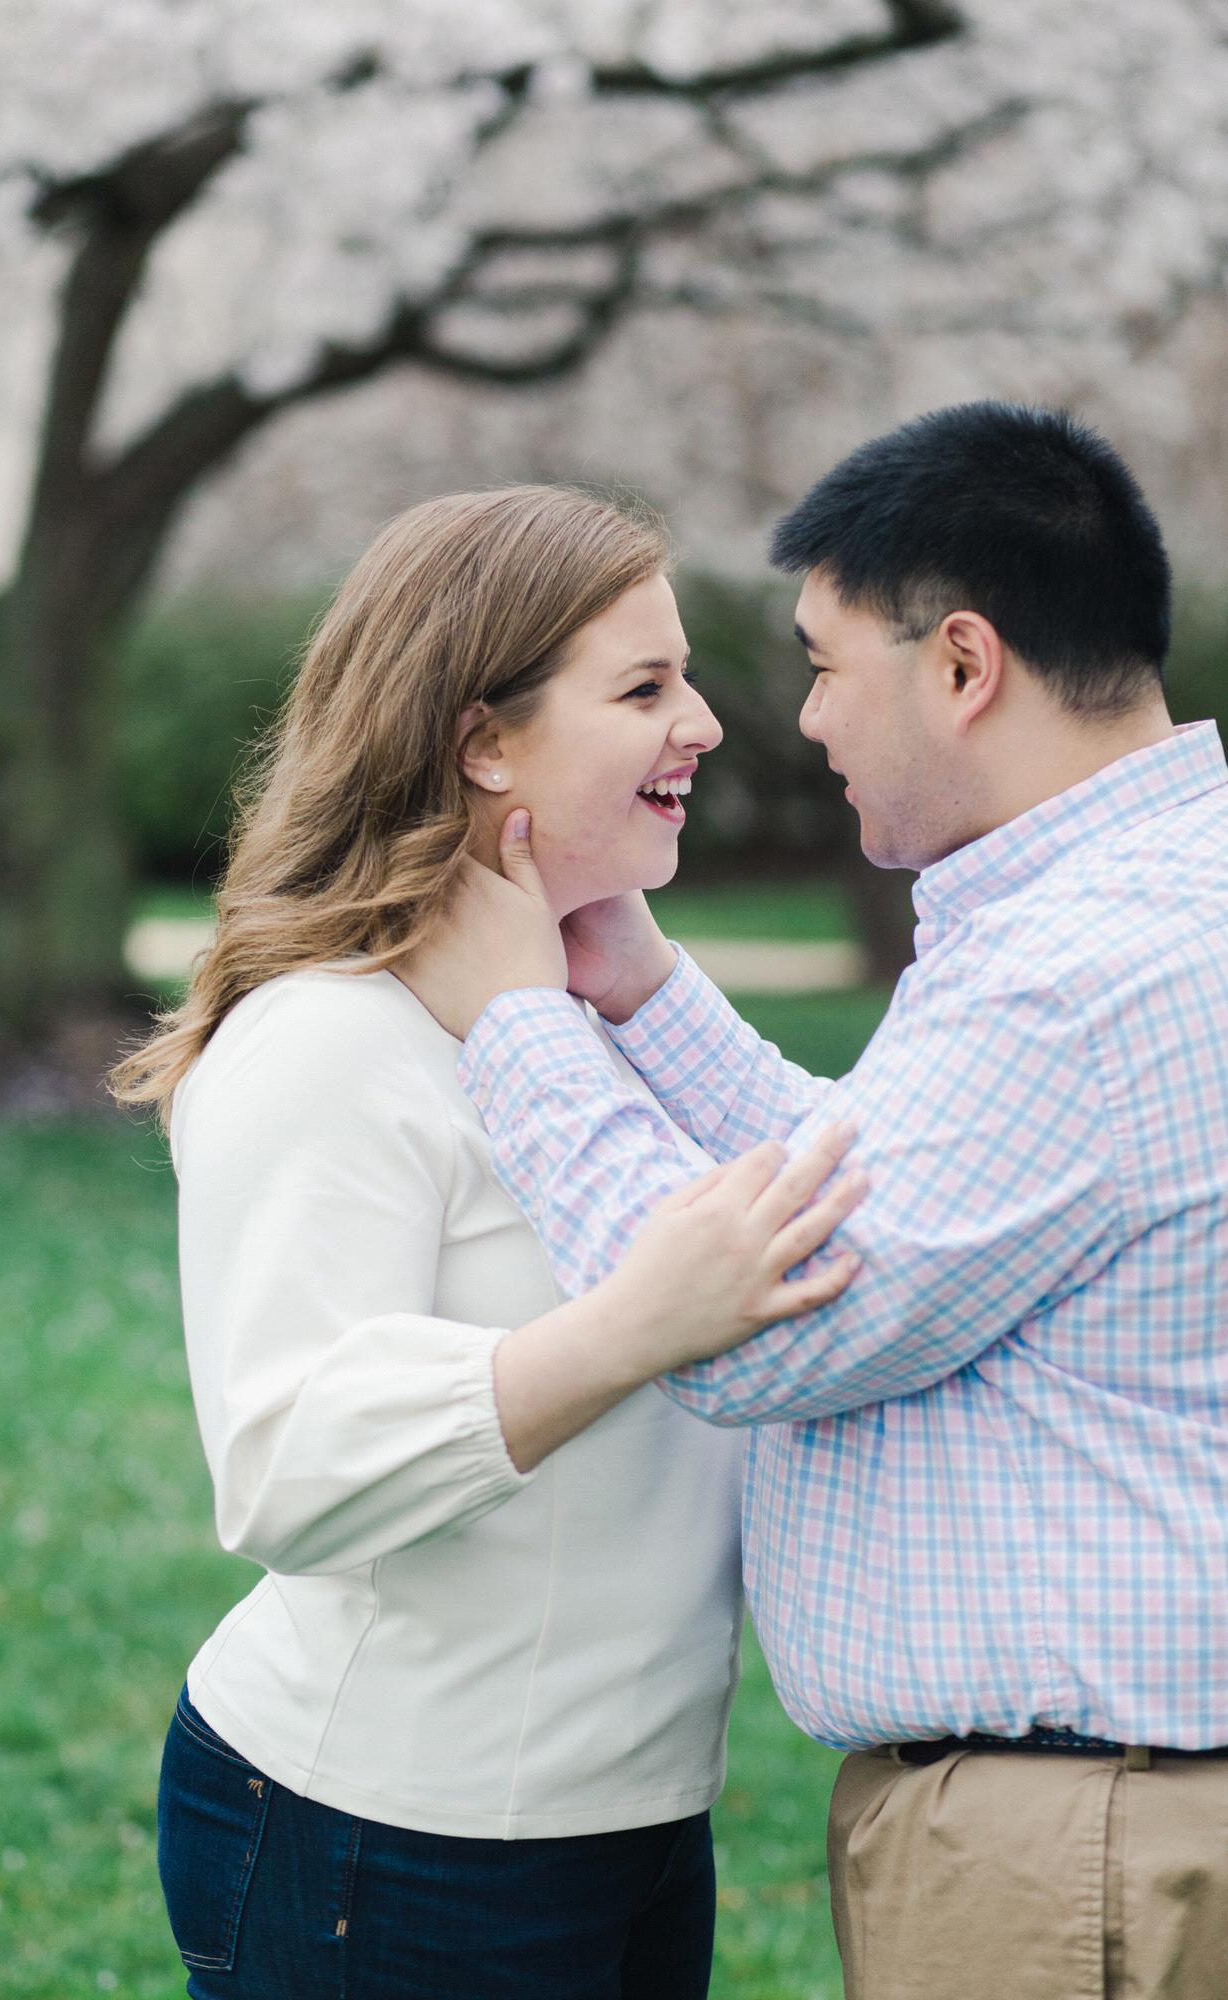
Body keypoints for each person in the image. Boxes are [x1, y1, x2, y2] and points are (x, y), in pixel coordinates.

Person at [400, 405, 1228, 2000]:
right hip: (1098, 1822)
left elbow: (759, 1328)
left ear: (963, 665)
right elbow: (900, 1201)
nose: (794, 719)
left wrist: (520, 1027)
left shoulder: (1071, 976)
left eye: (825, 663)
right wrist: (634, 987)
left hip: (1078, 1856)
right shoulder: (1145, 897)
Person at [109, 485, 865, 2000]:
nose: (707, 724)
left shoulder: (617, 1010)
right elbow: (284, 1465)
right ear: (481, 739)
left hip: (634, 1818)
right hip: (385, 1841)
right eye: (643, 688)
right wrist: (630, 1327)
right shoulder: (325, 1041)